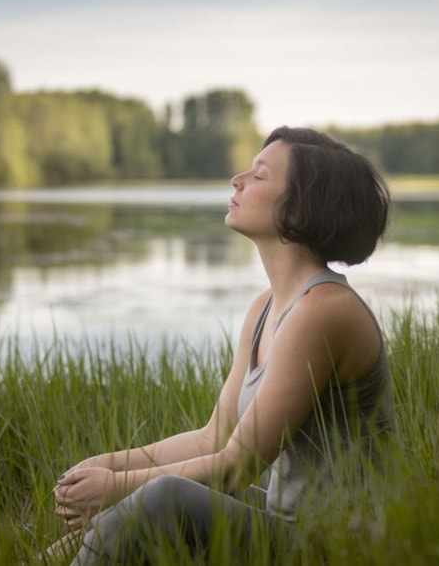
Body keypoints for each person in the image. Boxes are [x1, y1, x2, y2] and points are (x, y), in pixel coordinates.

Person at [51, 126, 395, 564]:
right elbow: (214, 437)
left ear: (300, 205)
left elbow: (237, 467)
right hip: (290, 524)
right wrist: (110, 465)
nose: (238, 179)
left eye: (260, 175)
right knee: (134, 507)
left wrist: (117, 486)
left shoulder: (323, 311)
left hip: (343, 547)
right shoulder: (265, 309)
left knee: (162, 499)